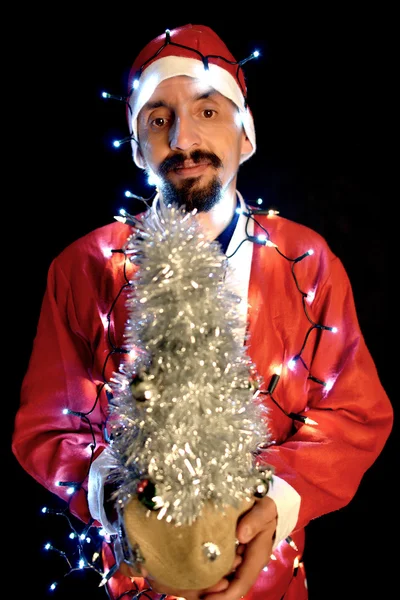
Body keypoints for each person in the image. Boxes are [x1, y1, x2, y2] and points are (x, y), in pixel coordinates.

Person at [12, 23, 393, 600]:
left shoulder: (306, 261)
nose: (184, 138)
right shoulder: (83, 268)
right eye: (159, 119)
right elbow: (48, 427)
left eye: (208, 112)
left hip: (271, 582)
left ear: (247, 135)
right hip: (132, 580)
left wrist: (274, 505)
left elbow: (354, 414)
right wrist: (127, 508)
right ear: (138, 146)